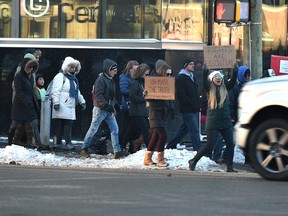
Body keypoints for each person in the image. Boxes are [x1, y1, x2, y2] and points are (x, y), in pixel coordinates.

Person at [188, 65, 238, 172]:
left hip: (225, 122)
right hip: (213, 122)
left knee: (230, 143)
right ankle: (193, 161)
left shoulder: (226, 87)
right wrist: (205, 72)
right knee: (209, 145)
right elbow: (205, 84)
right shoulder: (209, 89)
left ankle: (230, 167)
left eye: (220, 77)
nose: (219, 79)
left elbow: (232, 82)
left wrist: (235, 71)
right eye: (216, 77)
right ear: (212, 80)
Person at [80, 58, 122, 159]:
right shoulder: (101, 80)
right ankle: (84, 148)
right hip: (100, 109)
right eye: (114, 70)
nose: (115, 72)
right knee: (93, 129)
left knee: (115, 129)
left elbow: (111, 96)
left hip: (109, 109)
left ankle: (117, 151)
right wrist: (107, 105)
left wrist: (115, 104)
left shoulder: (110, 80)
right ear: (108, 69)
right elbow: (98, 95)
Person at [165, 58, 201, 151]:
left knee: (183, 130)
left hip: (193, 108)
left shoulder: (192, 77)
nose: (193, 65)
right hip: (187, 109)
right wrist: (193, 104)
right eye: (190, 64)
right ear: (185, 66)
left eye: (193, 64)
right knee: (194, 129)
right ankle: (198, 151)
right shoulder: (181, 78)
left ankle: (170, 146)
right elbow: (181, 95)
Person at [51, 56, 86, 151]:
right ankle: (66, 142)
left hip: (70, 106)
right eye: (71, 67)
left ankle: (61, 142)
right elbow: (55, 90)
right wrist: (56, 102)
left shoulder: (73, 79)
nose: (73, 69)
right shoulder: (60, 76)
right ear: (66, 67)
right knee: (65, 124)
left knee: (65, 124)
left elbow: (76, 91)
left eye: (75, 67)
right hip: (62, 105)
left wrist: (82, 101)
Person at [143, 61, 172, 167]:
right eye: (167, 74)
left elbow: (168, 99)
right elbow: (149, 97)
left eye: (170, 74)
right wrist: (147, 93)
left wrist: (170, 108)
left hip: (162, 112)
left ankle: (148, 158)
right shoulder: (154, 81)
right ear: (162, 72)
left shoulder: (166, 83)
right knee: (163, 135)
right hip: (155, 112)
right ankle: (160, 159)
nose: (169, 76)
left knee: (155, 135)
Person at [121, 63, 150, 153]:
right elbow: (132, 97)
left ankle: (122, 145)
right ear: (141, 73)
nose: (147, 76)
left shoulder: (143, 83)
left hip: (141, 111)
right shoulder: (135, 83)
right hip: (137, 111)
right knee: (145, 130)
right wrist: (144, 99)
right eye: (146, 74)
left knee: (131, 130)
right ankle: (150, 150)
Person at [10, 58, 39, 146]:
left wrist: (35, 99)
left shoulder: (31, 77)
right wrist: (26, 101)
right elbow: (19, 91)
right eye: (29, 67)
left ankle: (37, 142)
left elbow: (31, 90)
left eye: (32, 68)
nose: (30, 70)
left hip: (28, 103)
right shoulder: (18, 76)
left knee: (33, 122)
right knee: (15, 123)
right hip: (20, 104)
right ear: (24, 67)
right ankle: (10, 142)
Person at [229, 65, 250, 164]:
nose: (247, 77)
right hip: (236, 116)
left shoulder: (247, 86)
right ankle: (226, 157)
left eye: (248, 75)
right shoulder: (235, 87)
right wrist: (232, 116)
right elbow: (231, 103)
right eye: (245, 75)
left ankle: (248, 159)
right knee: (232, 139)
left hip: (245, 116)